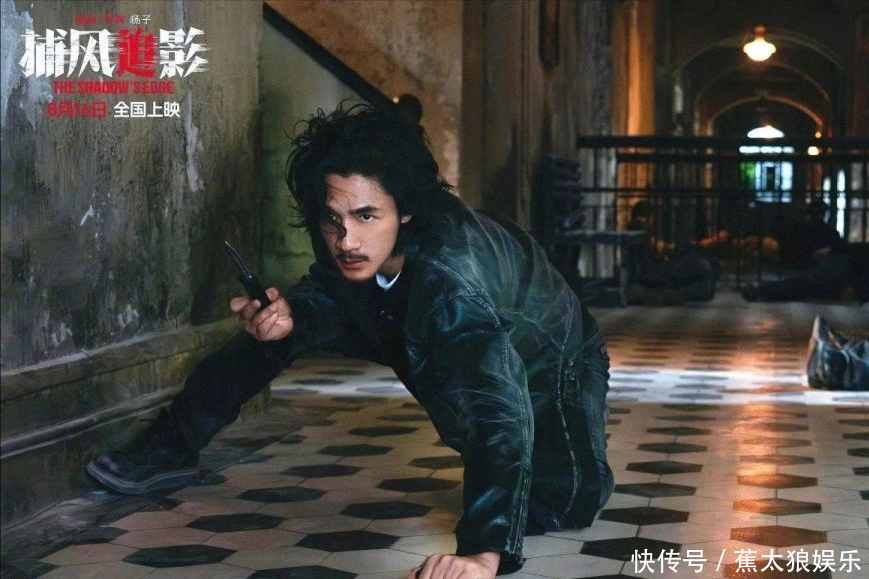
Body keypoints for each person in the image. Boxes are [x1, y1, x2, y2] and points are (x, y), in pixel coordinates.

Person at [86, 104, 613, 578]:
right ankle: (170, 444)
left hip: (553, 360)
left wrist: (480, 555)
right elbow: (329, 289)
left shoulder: (454, 285)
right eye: (331, 219)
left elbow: (498, 411)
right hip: (396, 316)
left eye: (366, 216)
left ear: (405, 210)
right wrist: (291, 316)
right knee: (276, 324)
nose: (347, 241)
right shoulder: (351, 240)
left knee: (559, 505)